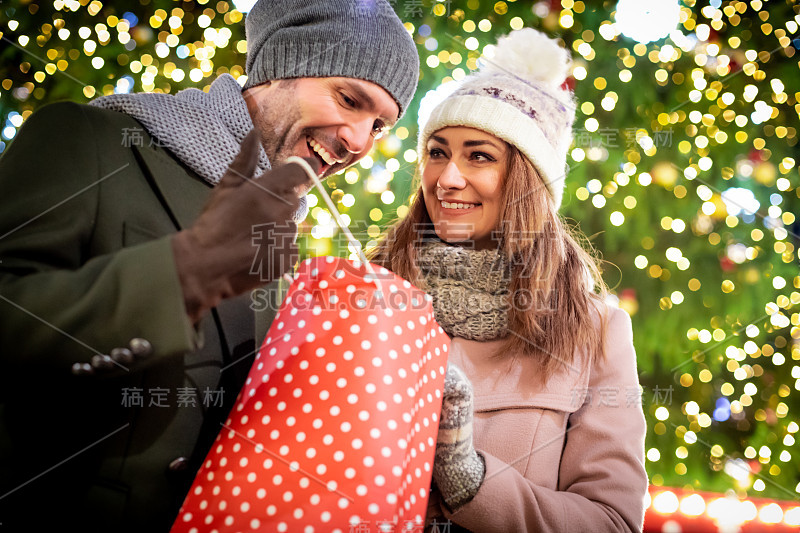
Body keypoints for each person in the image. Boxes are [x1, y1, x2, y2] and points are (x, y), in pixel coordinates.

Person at [0, 0, 419, 530]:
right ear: (279, 69)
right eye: (349, 99)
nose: (359, 140)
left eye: (379, 125)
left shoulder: (283, 246)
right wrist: (186, 269)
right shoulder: (94, 141)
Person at [370, 28, 648, 531]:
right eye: (437, 152)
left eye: (479, 155)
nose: (447, 178)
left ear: (528, 181)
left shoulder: (595, 331)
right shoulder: (370, 296)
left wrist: (471, 481)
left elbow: (612, 521)